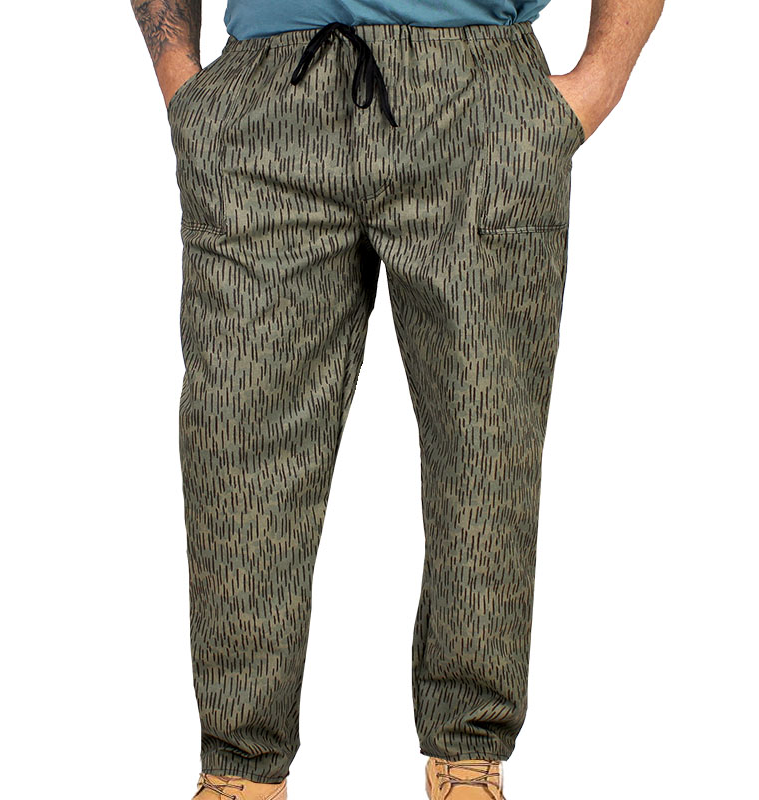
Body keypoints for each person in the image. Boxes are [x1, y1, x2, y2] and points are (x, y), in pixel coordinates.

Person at [130, 1, 663, 797]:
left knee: (486, 441)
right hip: (263, 98)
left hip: (476, 93)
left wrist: (601, 80)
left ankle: (468, 755)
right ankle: (238, 766)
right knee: (235, 447)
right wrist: (182, 82)